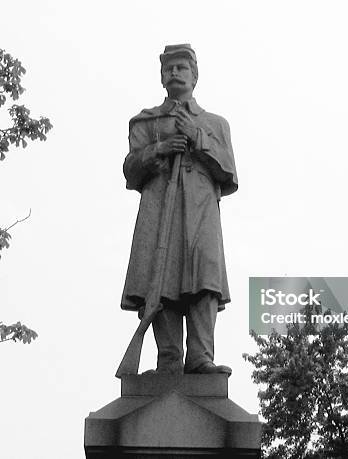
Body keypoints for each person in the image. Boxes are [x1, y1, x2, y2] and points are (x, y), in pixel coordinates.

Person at [121, 44, 238, 375]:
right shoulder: (147, 122)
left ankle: (201, 357)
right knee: (161, 283)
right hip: (159, 213)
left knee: (205, 281)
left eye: (182, 68)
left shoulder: (215, 124)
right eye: (169, 69)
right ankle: (168, 360)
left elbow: (229, 172)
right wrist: (159, 148)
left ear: (195, 76)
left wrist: (196, 137)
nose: (175, 73)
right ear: (161, 77)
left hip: (201, 213)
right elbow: (131, 170)